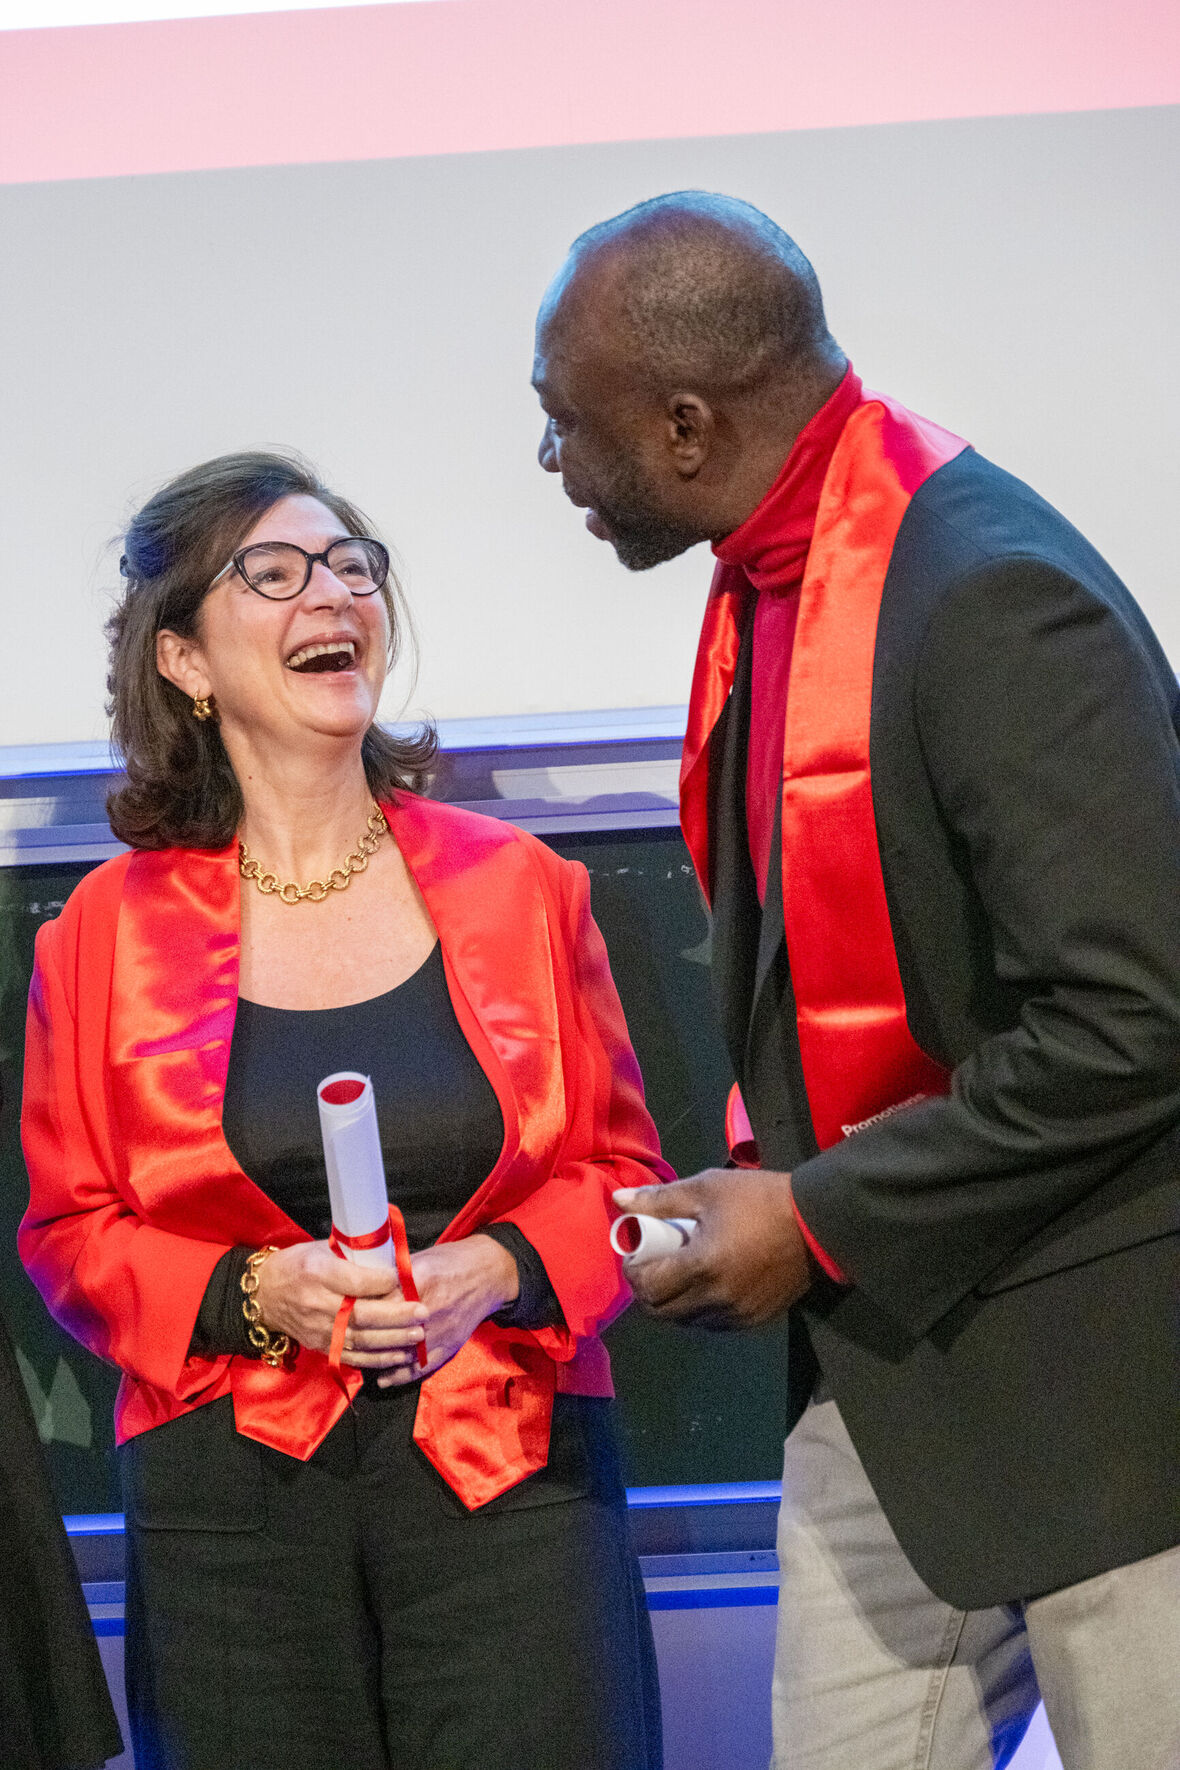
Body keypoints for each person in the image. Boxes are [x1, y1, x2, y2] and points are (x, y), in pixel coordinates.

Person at [532, 192, 1180, 1770]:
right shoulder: (781, 577)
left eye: (566, 423)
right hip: (893, 1368)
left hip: (1111, 1403)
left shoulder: (984, 595)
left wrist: (816, 1212)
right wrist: (778, 1195)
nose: (551, 463)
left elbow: (1140, 1017)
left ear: (687, 424)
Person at [19, 451, 667, 1770]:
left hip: (513, 1473)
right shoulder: (102, 931)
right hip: (231, 1507)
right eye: (275, 571)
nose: (333, 593)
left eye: (351, 566)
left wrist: (494, 1269)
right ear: (185, 658)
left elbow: (622, 1173)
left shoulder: (524, 886)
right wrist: (264, 1295)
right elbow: (69, 1231)